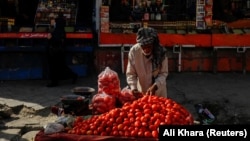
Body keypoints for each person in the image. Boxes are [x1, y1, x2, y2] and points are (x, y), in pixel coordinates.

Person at [126, 27, 168, 98]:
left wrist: (155, 85)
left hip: (159, 92)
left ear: (153, 44)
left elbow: (163, 73)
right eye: (143, 46)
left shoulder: (161, 53)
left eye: (149, 46)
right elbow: (131, 73)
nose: (146, 49)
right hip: (142, 92)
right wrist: (133, 88)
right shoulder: (134, 51)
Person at [46, 13, 77, 87]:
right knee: (61, 66)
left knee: (55, 67)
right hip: (59, 51)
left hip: (56, 51)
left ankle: (54, 82)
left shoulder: (57, 31)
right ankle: (73, 76)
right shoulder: (61, 30)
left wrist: (50, 38)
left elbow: (56, 41)